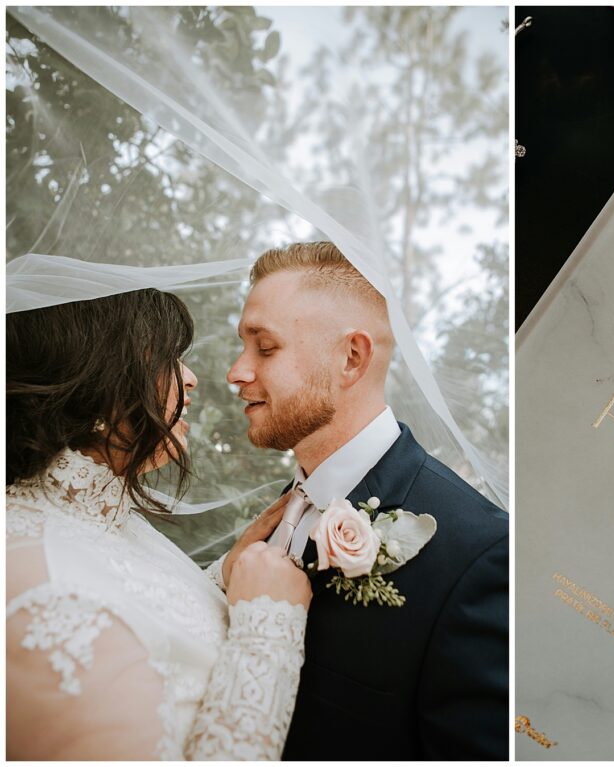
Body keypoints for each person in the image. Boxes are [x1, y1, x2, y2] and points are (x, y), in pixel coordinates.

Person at [224, 241, 509, 760]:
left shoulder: (480, 552)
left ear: (351, 358)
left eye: (264, 348)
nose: (236, 371)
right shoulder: (283, 508)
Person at [6, 289, 313, 760]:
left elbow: (152, 624)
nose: (190, 379)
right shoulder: (46, 594)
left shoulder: (95, 512)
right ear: (96, 380)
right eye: (167, 358)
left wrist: (227, 575)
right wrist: (268, 626)